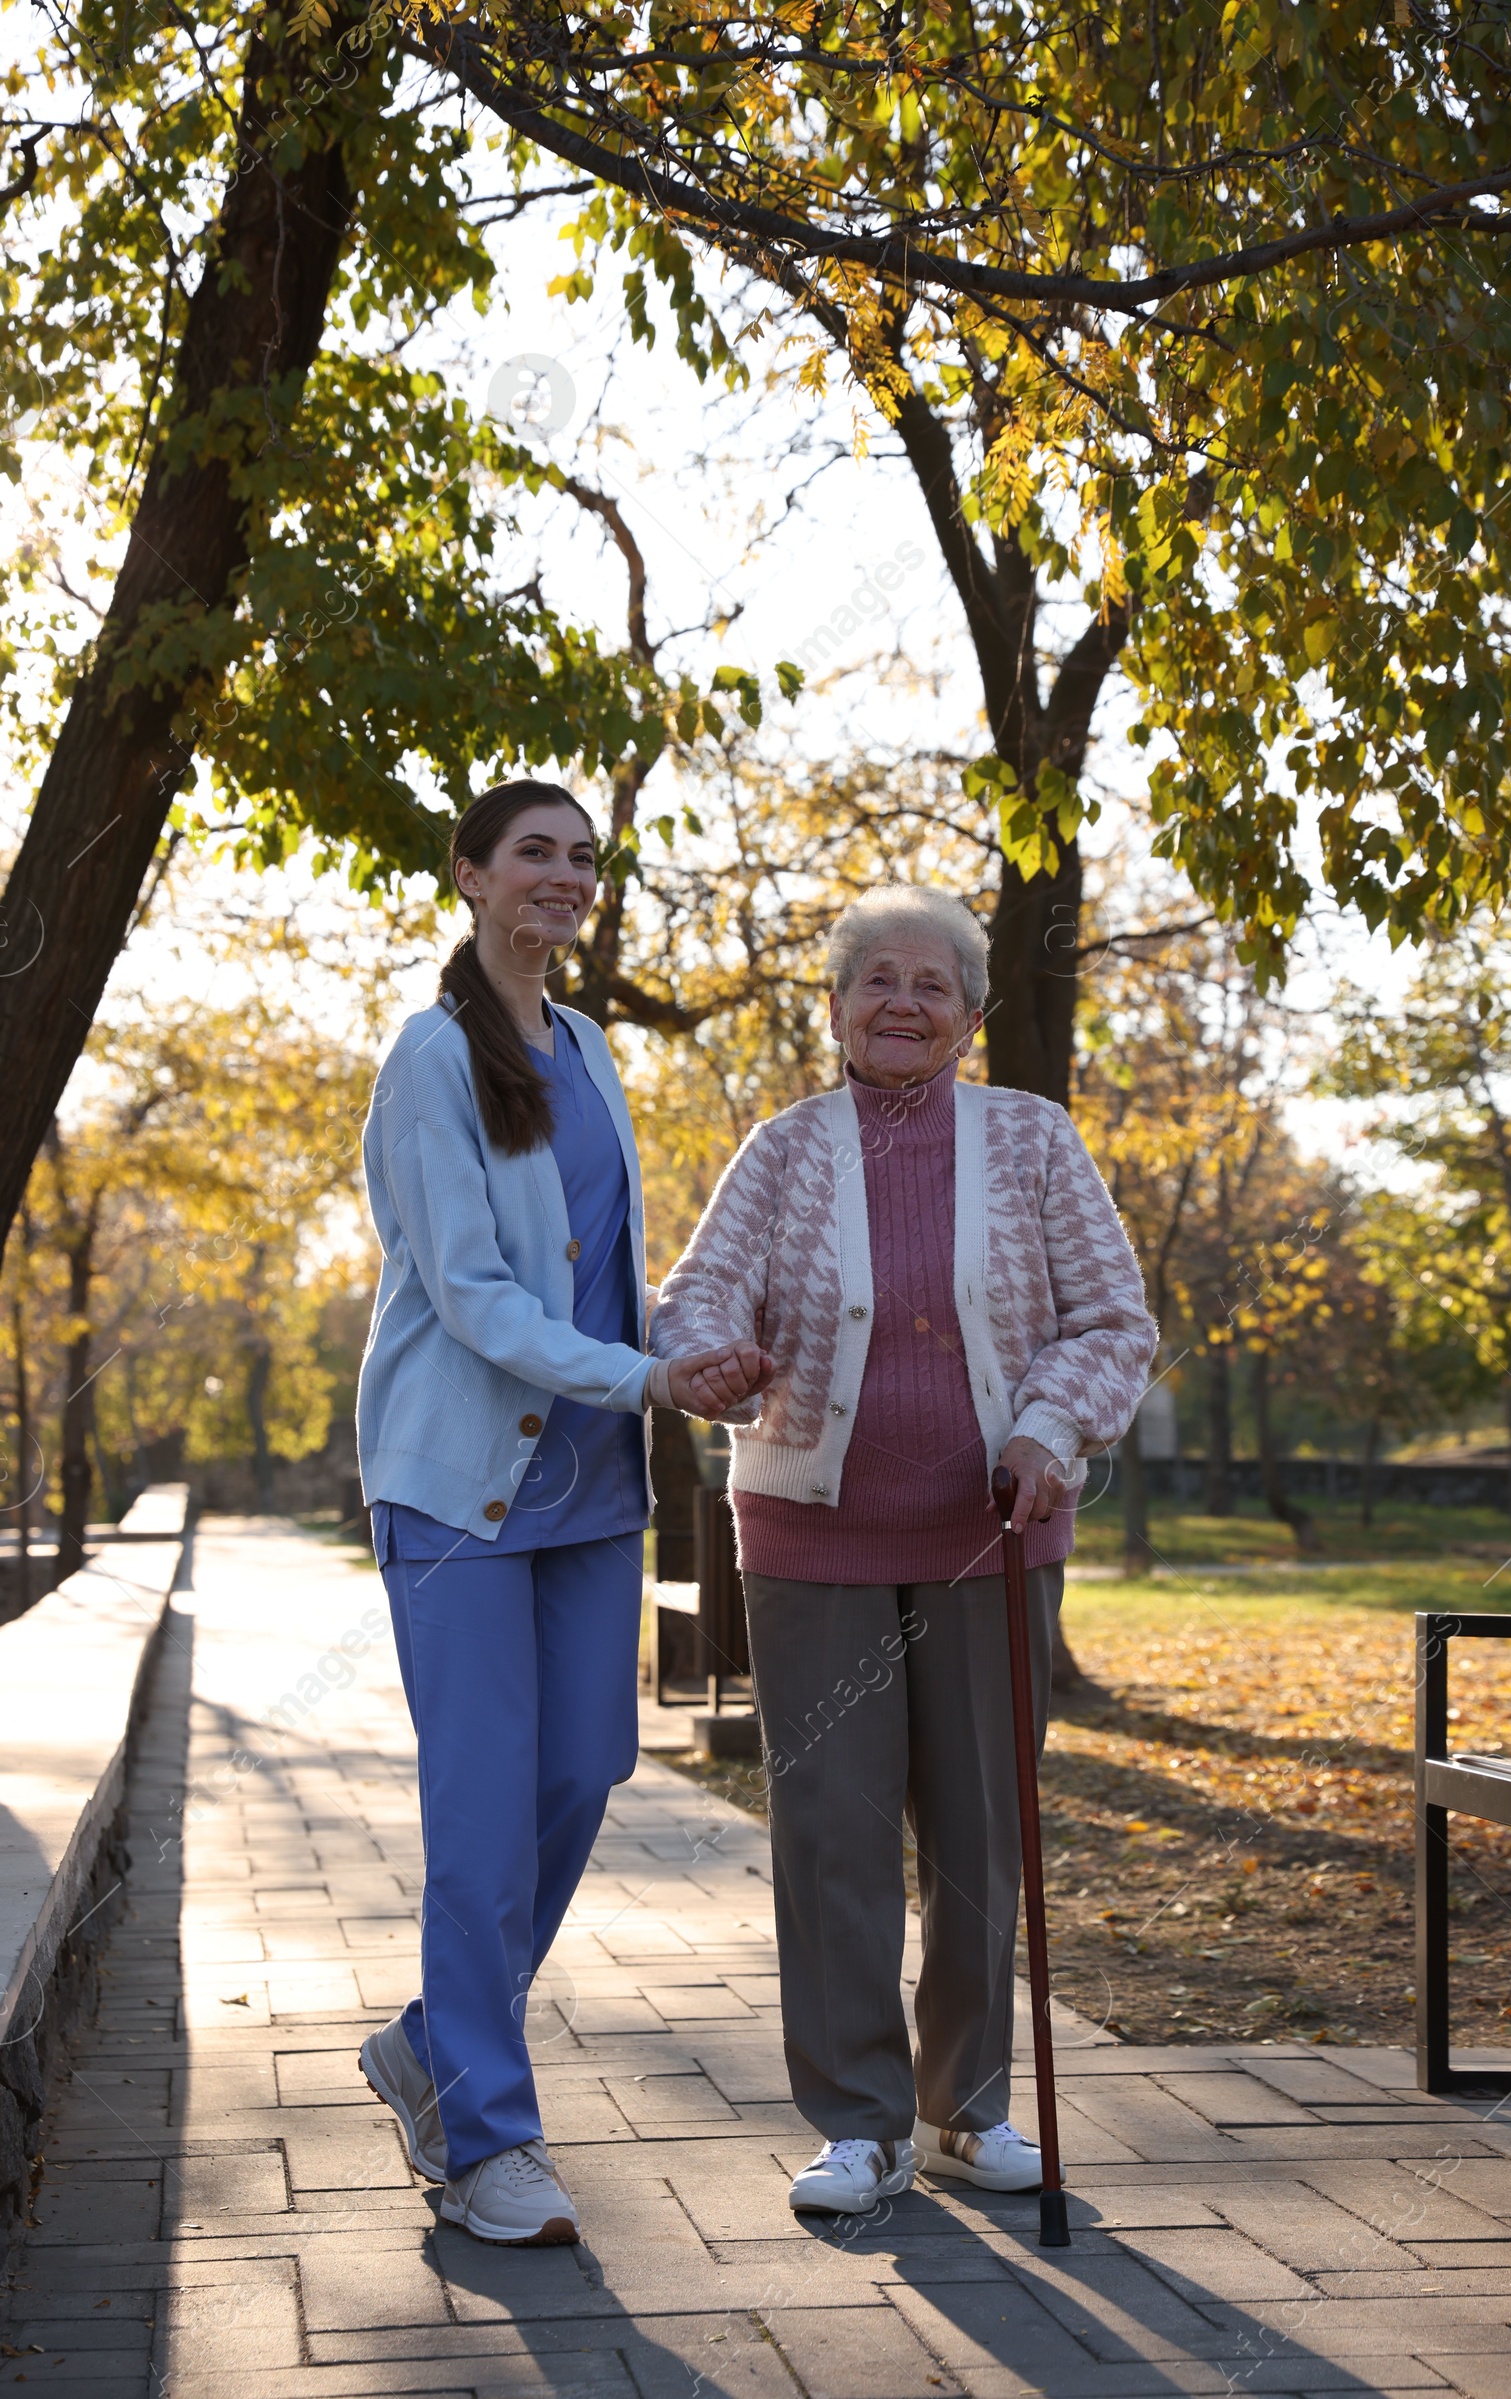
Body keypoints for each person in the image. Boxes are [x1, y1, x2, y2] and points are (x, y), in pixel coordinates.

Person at [651, 887, 1155, 2216]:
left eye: (934, 985)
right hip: (811, 1537)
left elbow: (1111, 1317)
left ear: (974, 1016)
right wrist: (705, 1359)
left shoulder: (1035, 1141)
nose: (904, 1004)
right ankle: (860, 2122)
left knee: (981, 1836)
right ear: (833, 1008)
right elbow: (697, 1293)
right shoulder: (783, 1149)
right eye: (877, 981)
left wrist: (1051, 1428)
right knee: (832, 1833)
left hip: (994, 1531)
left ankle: (963, 2109)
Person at [354, 780, 769, 2246]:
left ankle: (429, 2040)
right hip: (459, 1486)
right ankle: (485, 2140)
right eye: (535, 851)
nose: (566, 876)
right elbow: (470, 1299)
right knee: (477, 1814)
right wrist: (650, 1373)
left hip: (593, 1490)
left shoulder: (588, 1048)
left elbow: (597, 1278)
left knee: (582, 1778)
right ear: (468, 874)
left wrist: (681, 1353)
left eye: (585, 859)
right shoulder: (428, 1060)